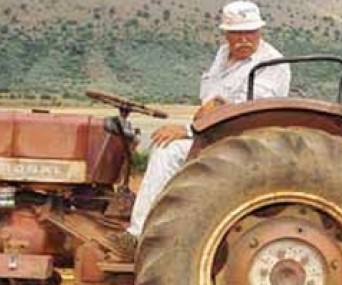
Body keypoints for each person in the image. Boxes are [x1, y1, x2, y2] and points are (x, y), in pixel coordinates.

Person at [110, 1, 290, 260]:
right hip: (215, 133)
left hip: (242, 139)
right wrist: (206, 115)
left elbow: (243, 113)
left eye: (250, 32)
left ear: (260, 31)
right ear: (225, 34)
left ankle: (138, 236)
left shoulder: (271, 65)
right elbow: (211, 102)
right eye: (237, 33)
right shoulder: (222, 55)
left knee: (167, 150)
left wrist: (189, 130)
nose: (243, 39)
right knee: (165, 144)